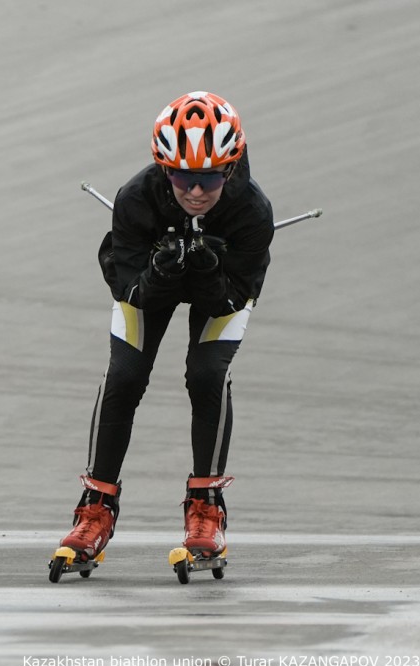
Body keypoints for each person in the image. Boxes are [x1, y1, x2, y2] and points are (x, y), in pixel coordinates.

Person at [58, 91, 274, 564]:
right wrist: (161, 271)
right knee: (126, 374)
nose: (195, 191)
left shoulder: (253, 212)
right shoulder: (135, 198)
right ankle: (95, 509)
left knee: (206, 374)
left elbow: (235, 297)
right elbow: (125, 285)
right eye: (181, 177)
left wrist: (209, 267)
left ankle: (207, 509)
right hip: (149, 283)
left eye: (209, 177)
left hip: (222, 287)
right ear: (163, 168)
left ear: (231, 169)